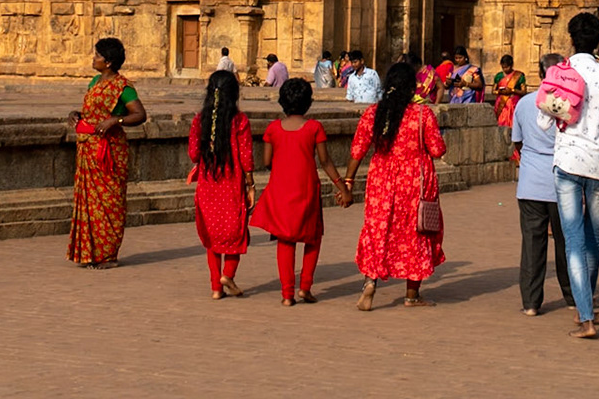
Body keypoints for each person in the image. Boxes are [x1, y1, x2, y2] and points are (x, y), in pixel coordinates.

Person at [344, 59, 446, 309]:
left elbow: (358, 149)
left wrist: (348, 181)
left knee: (378, 229)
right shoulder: (422, 115)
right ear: (412, 88)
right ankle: (412, 295)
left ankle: (370, 283)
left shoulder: (373, 113)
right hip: (415, 182)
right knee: (417, 232)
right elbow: (436, 149)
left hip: (381, 180)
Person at [251, 77, 351, 305]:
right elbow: (325, 162)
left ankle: (287, 294)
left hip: (281, 188)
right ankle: (305, 287)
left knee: (285, 240)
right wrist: (342, 187)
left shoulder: (273, 129)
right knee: (312, 238)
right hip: (306, 188)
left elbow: (266, 161)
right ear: (308, 102)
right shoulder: (314, 128)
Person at [552, 11, 599, 340]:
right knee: (594, 237)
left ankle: (586, 315)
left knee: (574, 243)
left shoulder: (559, 72)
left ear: (571, 38)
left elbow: (543, 120)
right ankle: (587, 303)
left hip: (566, 162)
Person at [67, 37, 149, 267]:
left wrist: (116, 120)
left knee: (109, 201)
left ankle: (107, 254)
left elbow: (140, 115)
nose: (94, 59)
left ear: (109, 62)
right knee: (90, 202)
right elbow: (90, 111)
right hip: (88, 148)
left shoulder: (123, 88)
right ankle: (89, 252)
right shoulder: (94, 82)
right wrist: (75, 114)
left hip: (109, 151)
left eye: (98, 56)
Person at [511, 53, 573, 317]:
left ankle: (531, 302)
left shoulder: (524, 104)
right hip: (561, 180)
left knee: (533, 244)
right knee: (566, 243)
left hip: (531, 181)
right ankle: (572, 295)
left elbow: (518, 142)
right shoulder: (568, 105)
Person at [188, 68, 252, 294]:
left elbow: (194, 154)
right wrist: (251, 184)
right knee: (236, 233)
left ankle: (216, 287)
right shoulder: (240, 120)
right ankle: (228, 275)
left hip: (207, 186)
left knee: (212, 237)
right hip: (232, 186)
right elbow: (246, 157)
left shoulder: (199, 120)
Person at [492, 53, 527, 137]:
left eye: (507, 67)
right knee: (501, 123)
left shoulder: (519, 76)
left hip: (513, 103)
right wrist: (500, 92)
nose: (505, 69)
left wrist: (512, 90)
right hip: (501, 104)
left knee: (513, 124)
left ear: (511, 65)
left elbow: (523, 92)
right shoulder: (498, 76)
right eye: (503, 67)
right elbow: (493, 91)